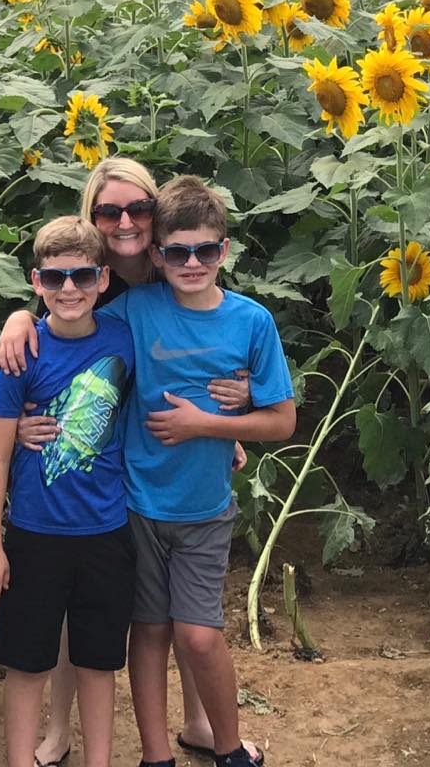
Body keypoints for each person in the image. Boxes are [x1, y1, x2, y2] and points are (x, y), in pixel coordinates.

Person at [0, 158, 254, 767]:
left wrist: (227, 420)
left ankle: (193, 721)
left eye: (138, 208)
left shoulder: (178, 267)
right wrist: (16, 319)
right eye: (109, 211)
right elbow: (58, 331)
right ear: (92, 219)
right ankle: (59, 731)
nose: (125, 221)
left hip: (169, 460)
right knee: (92, 604)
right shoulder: (86, 279)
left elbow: (200, 350)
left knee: (171, 605)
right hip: (106, 474)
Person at [101, 175, 296, 767]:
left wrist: (207, 426)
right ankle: (157, 754)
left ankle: (228, 745)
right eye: (178, 251)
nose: (192, 262)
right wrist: (16, 330)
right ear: (158, 255)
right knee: (150, 633)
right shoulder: (135, 308)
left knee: (199, 635)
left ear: (224, 252)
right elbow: (70, 332)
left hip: (205, 507)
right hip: (139, 503)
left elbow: (282, 421)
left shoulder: (251, 321)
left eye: (205, 250)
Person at [0, 216, 136, 767]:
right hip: (36, 534)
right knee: (28, 662)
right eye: (56, 278)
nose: (70, 289)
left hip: (107, 531)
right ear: (36, 281)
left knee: (98, 662)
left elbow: (158, 396)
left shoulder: (124, 340)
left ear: (104, 279)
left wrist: (224, 437)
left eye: (83, 276)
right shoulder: (21, 355)